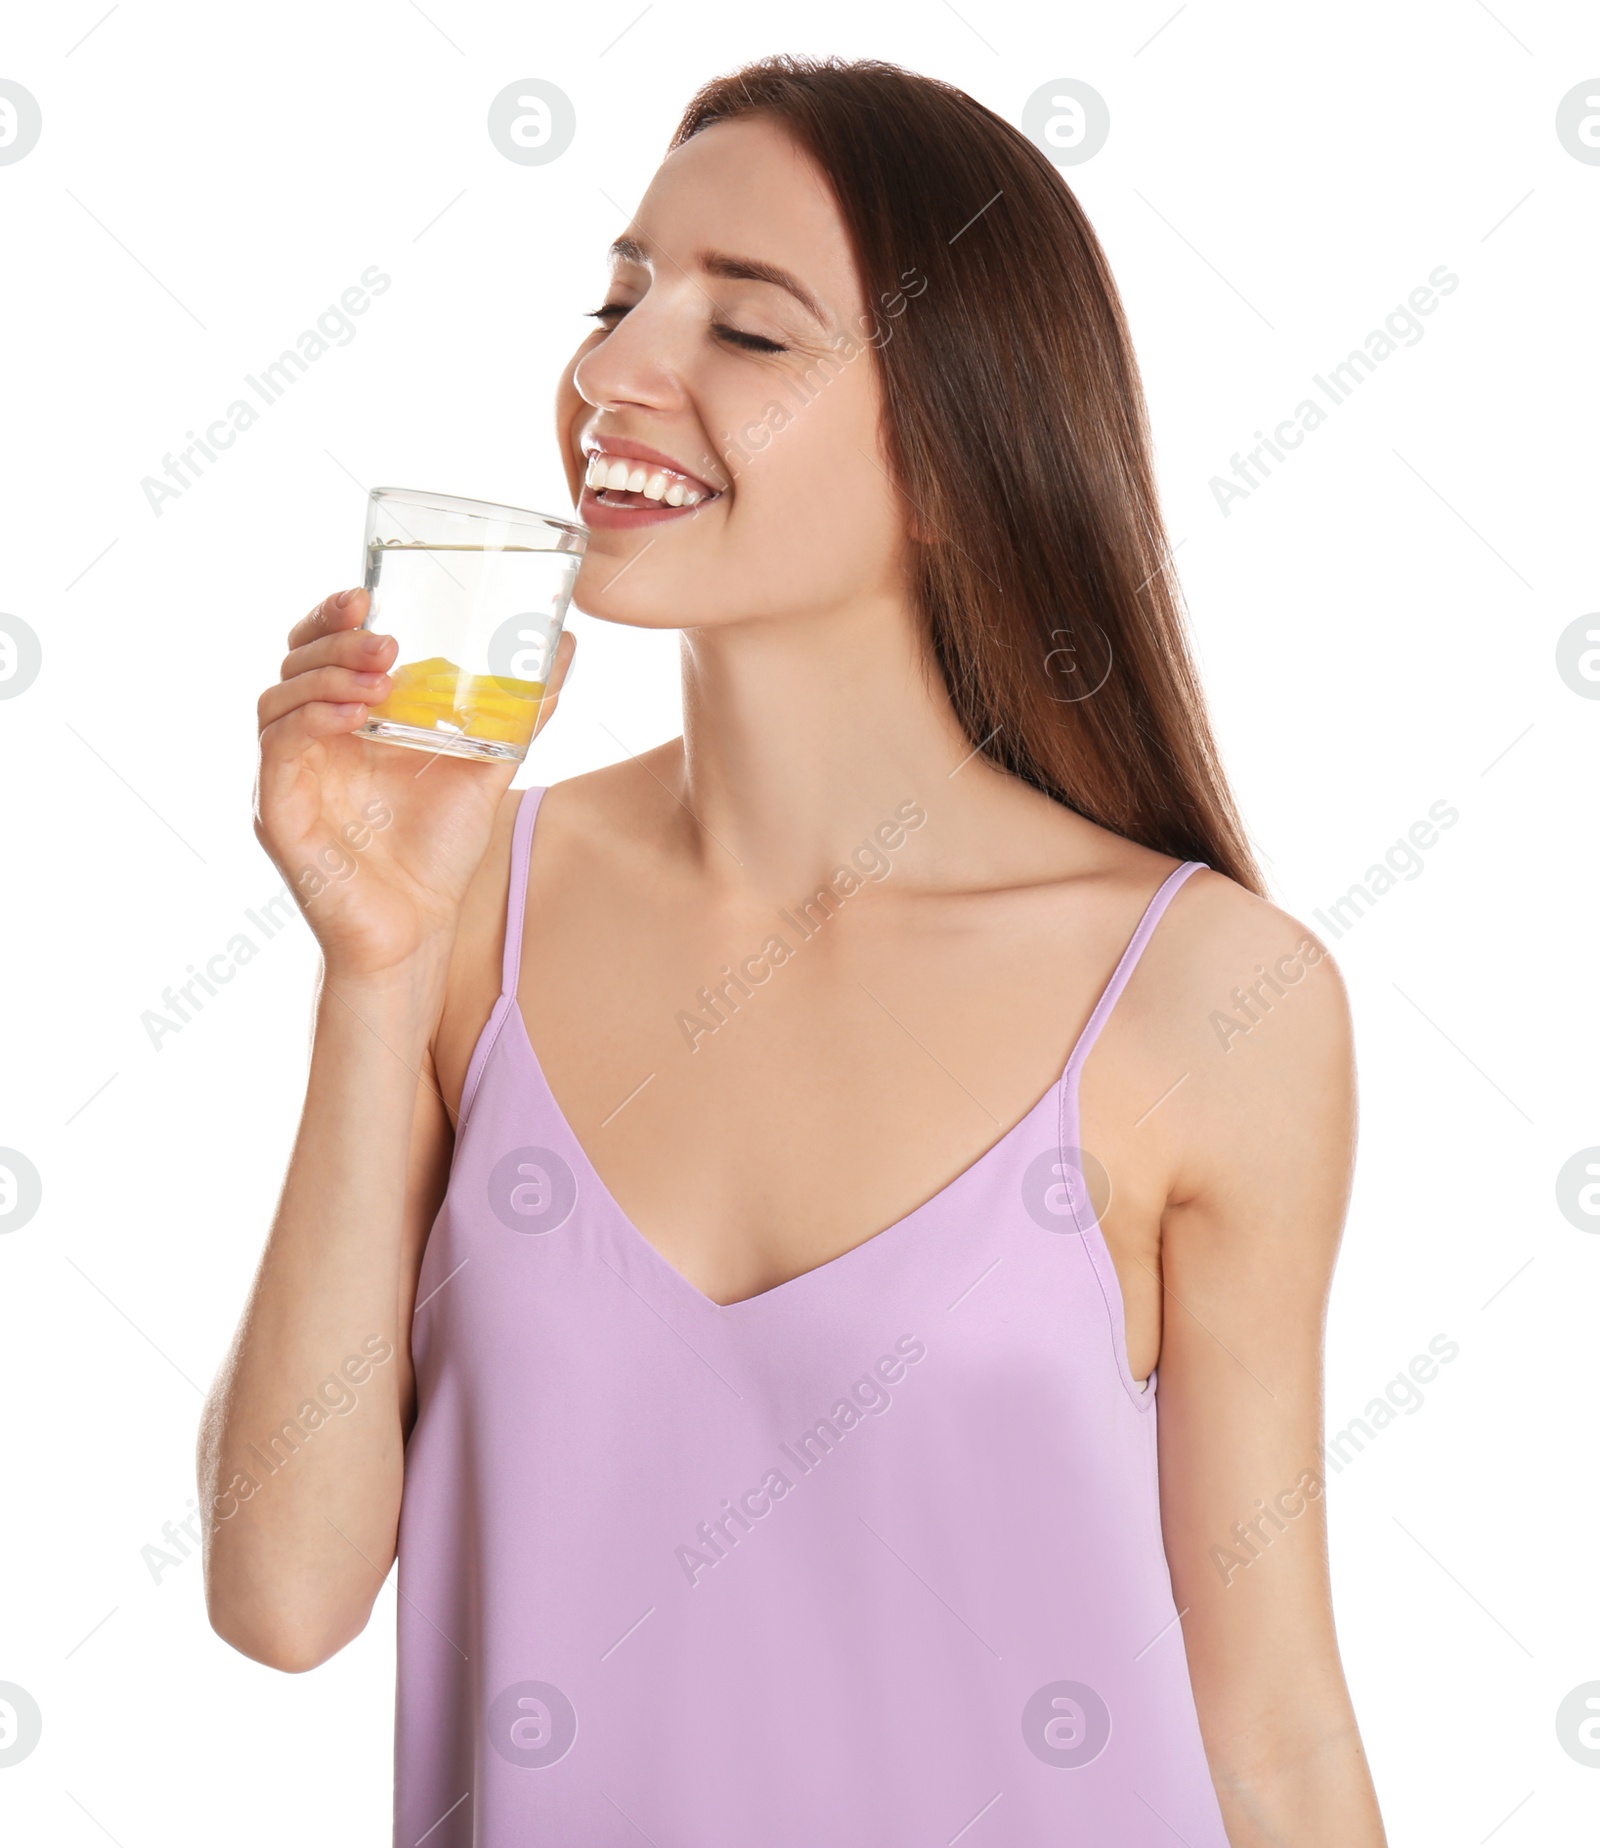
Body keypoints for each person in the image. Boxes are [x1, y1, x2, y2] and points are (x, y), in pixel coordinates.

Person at [200, 55, 1387, 1848]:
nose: (611, 372)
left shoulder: (1212, 1000)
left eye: (746, 334)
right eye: (617, 299)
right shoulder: (466, 928)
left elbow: (1277, 1731)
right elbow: (281, 1603)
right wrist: (372, 968)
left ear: (956, 460)